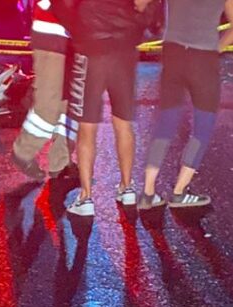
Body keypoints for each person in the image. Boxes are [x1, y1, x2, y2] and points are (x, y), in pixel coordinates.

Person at [140, 0, 233, 210]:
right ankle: (179, 192)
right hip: (203, 58)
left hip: (173, 53)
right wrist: (217, 49)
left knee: (165, 124)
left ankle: (148, 192)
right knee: (202, 127)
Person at [64, 0, 160, 216]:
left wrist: (79, 31)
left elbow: (64, 5)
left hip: (91, 48)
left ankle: (86, 197)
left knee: (87, 127)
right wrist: (136, 26)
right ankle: (127, 187)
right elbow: (146, 5)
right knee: (123, 123)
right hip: (123, 49)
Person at [10, 0, 78, 181]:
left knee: (69, 104)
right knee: (49, 105)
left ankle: (60, 162)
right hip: (53, 34)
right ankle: (23, 152)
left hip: (72, 37)